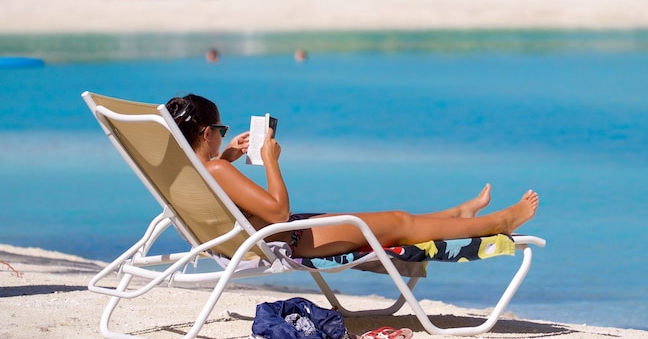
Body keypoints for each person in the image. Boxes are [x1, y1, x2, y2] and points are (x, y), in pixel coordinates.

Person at [165, 94, 539, 258]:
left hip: (275, 236)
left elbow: (231, 199)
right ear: (206, 134)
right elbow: (278, 212)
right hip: (288, 237)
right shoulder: (214, 169)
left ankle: (457, 216)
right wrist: (271, 158)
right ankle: (501, 221)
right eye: (221, 129)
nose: (223, 136)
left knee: (397, 222)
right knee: (400, 222)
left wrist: (229, 156)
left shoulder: (193, 173)